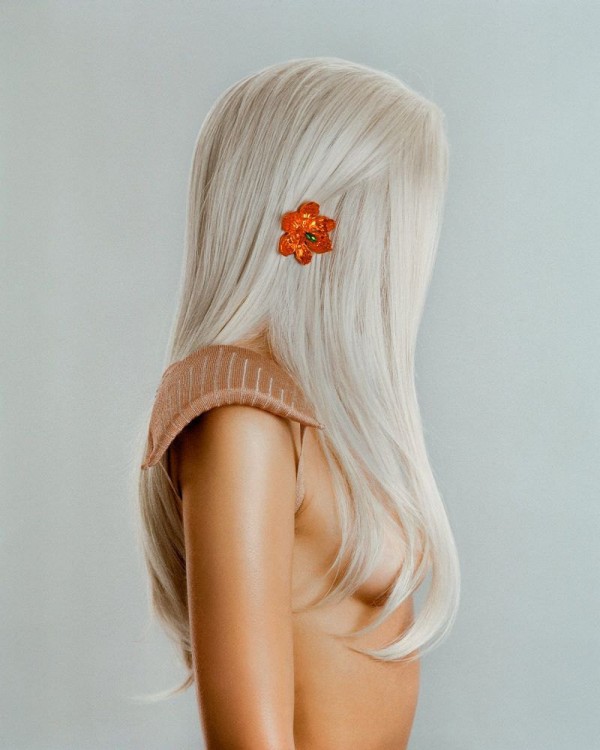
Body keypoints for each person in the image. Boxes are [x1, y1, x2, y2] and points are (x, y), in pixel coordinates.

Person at [136, 56, 460, 749]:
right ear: (323, 221)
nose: (408, 251)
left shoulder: (305, 409)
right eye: (397, 215)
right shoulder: (243, 417)